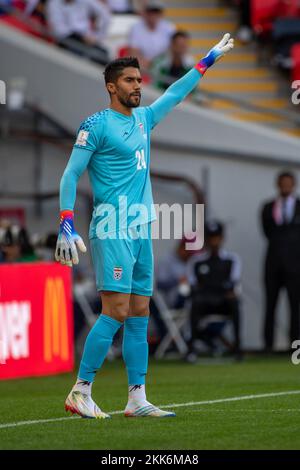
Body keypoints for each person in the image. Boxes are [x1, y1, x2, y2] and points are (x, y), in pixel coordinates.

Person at [55, 33, 234, 419]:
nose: (138, 86)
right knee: (115, 310)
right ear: (111, 86)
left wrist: (207, 61)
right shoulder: (96, 124)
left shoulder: (144, 118)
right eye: (130, 81)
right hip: (111, 228)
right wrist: (66, 220)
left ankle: (137, 398)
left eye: (139, 80)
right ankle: (80, 390)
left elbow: (175, 93)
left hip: (141, 230)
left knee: (139, 311)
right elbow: (71, 174)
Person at [186, 221, 242, 362]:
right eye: (211, 237)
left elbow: (233, 281)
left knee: (234, 301)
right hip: (204, 301)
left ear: (222, 238)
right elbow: (193, 284)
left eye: (216, 237)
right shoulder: (196, 261)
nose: (214, 241)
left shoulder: (232, 259)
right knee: (195, 302)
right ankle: (191, 349)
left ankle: (237, 348)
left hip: (223, 301)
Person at [261, 171, 300, 351]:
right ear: (278, 184)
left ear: (294, 185)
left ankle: (295, 346)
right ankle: (268, 346)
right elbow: (267, 232)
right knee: (270, 304)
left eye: (289, 183)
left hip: (294, 265)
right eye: (282, 183)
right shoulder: (268, 207)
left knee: (295, 306)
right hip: (273, 264)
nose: (285, 186)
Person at [46, 0, 111, 65]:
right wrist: (82, 37)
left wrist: (96, 37)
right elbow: (59, 30)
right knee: (76, 54)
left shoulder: (85, 1)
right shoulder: (54, 3)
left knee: (104, 55)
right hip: (65, 39)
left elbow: (105, 15)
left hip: (85, 39)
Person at [127, 0, 176, 70]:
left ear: (161, 13)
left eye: (156, 12)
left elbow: (173, 49)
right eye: (151, 11)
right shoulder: (136, 28)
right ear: (145, 13)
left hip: (164, 64)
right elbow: (133, 51)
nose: (153, 15)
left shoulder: (169, 27)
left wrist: (157, 63)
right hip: (143, 66)